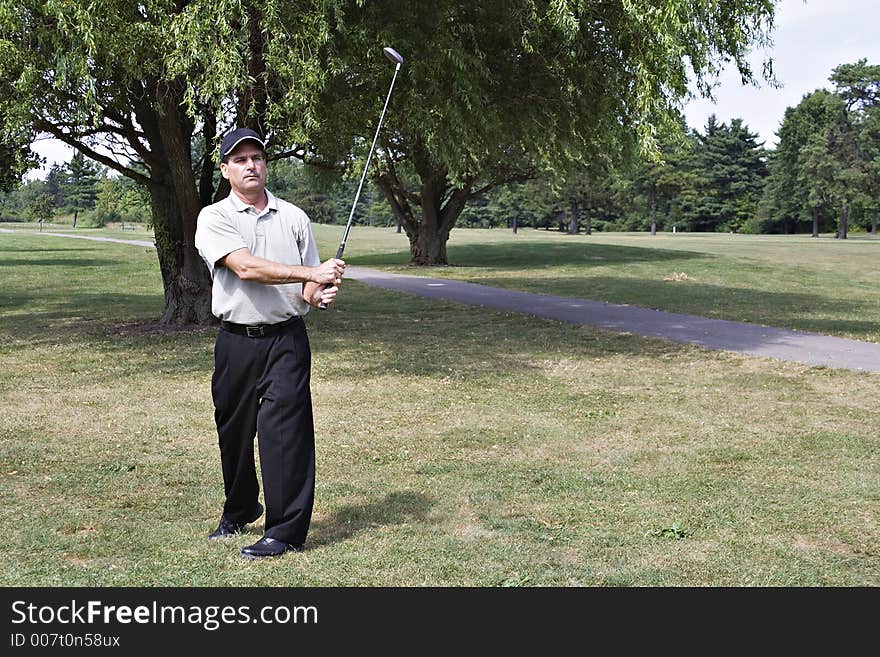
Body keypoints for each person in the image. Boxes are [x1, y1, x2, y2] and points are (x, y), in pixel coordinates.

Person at [194, 127, 345, 559]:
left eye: (257, 157)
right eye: (239, 160)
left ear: (265, 165)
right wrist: (309, 276)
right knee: (234, 435)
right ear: (225, 170)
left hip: (286, 341)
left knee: (285, 435)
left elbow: (308, 291)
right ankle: (241, 508)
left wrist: (321, 293)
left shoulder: (294, 217)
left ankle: (285, 531)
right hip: (235, 342)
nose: (250, 165)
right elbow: (244, 268)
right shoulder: (214, 217)